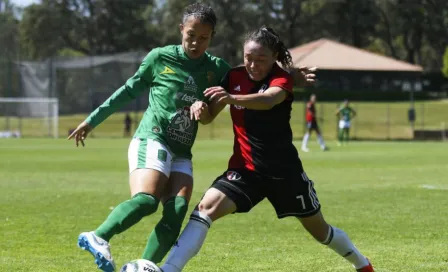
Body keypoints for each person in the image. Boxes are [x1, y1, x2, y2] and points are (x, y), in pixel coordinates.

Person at [159, 26, 374, 272]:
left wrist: (231, 98)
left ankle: (362, 264)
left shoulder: (281, 79)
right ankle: (168, 269)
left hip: (285, 173)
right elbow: (208, 117)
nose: (253, 65)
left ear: (274, 58)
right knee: (205, 209)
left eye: (260, 60)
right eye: (248, 59)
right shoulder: (233, 78)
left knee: (320, 231)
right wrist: (200, 106)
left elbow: (268, 100)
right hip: (245, 170)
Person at [68, 3, 231, 271]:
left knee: (176, 211)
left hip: (182, 151)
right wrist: (91, 120)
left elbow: (237, 90)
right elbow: (127, 90)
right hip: (152, 139)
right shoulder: (160, 58)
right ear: (181, 30)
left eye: (204, 38)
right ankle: (97, 236)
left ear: (212, 36)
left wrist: (204, 110)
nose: (195, 43)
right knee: (147, 201)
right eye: (191, 35)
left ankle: (143, 266)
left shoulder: (218, 70)